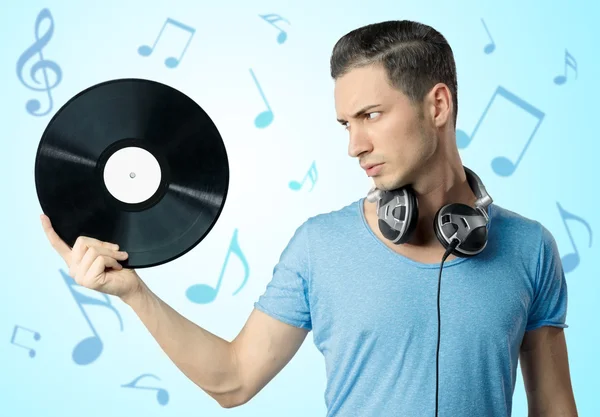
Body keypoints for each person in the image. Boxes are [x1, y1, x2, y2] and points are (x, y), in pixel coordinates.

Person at [40, 20, 578, 417]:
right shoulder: (320, 246)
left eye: (370, 116)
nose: (354, 146)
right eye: (345, 123)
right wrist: (135, 293)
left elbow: (554, 406)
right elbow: (233, 381)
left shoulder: (530, 248)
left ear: (437, 106)